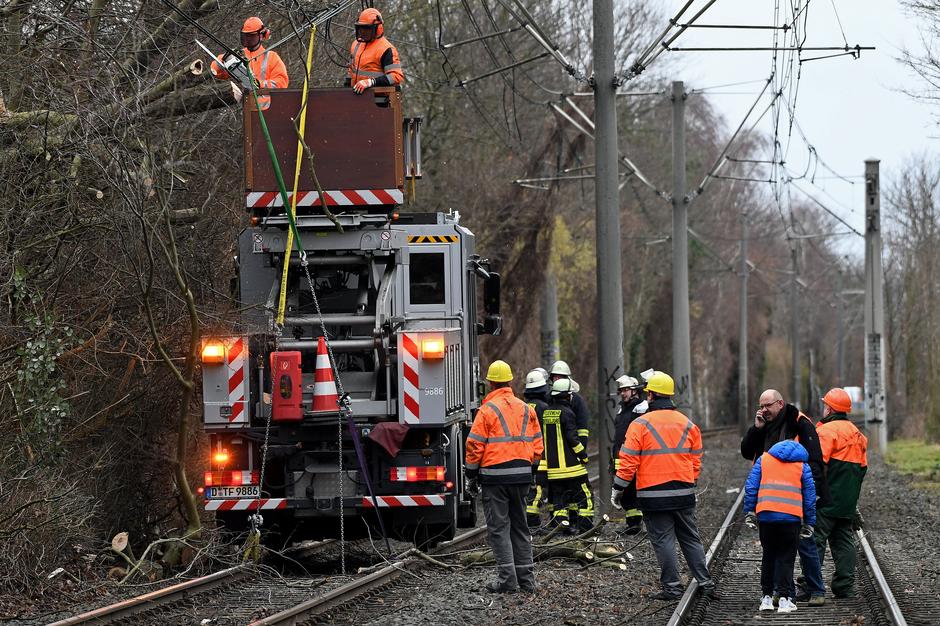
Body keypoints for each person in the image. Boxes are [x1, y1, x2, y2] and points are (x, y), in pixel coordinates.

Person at [611, 371, 716, 600]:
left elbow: (628, 461)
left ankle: (673, 588)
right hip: (683, 492)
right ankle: (706, 582)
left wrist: (618, 487)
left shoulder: (640, 424)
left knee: (663, 540)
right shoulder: (688, 425)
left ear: (651, 395)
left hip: (652, 494)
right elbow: (695, 459)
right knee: (690, 538)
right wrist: (692, 482)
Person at [740, 388, 829, 606]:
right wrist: (756, 429)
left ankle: (816, 590)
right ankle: (782, 591)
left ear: (780, 404)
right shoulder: (764, 424)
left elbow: (815, 461)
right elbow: (746, 451)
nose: (763, 410)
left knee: (804, 544)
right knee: (779, 549)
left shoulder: (800, 423)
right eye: (761, 406)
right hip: (770, 495)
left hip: (794, 493)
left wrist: (812, 494)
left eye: (767, 405)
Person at [465, 360, 543, 593]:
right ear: (510, 381)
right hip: (521, 477)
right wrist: (532, 470)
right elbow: (538, 444)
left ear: (490, 383)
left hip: (495, 478)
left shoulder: (487, 410)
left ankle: (508, 582)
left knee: (499, 529)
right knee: (520, 527)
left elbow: (474, 445)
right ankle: (527, 581)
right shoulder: (526, 409)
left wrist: (471, 473)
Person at [743, 439, 817, 614]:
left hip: (766, 517)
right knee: (786, 558)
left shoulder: (764, 460)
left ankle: (767, 598)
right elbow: (809, 497)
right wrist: (809, 522)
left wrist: (750, 511)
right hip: (791, 519)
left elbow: (751, 486)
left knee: (768, 556)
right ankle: (784, 600)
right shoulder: (802, 466)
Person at [814, 388, 868, 598]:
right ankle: (844, 586)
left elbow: (818, 466)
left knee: (814, 539)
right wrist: (851, 497)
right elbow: (862, 469)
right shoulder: (858, 434)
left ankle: (811, 583)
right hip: (847, 500)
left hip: (826, 498)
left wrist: (815, 493)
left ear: (830, 408)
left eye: (825, 405)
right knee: (843, 539)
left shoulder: (825, 432)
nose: (824, 408)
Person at [543, 378, 593, 533]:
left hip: (553, 470)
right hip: (572, 469)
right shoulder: (568, 413)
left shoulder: (546, 413)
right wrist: (583, 455)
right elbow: (573, 439)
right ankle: (585, 527)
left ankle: (562, 528)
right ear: (568, 396)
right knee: (585, 497)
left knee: (559, 501)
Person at [210, 17, 289, 110]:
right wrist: (222, 60)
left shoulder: (271, 57)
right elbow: (217, 72)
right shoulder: (239, 55)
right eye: (245, 36)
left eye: (251, 36)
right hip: (247, 110)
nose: (248, 39)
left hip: (268, 111)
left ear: (261, 35)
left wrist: (259, 84)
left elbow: (282, 83)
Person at [611, 374, 645, 534]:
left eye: (626, 390)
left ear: (634, 391)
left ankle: (637, 524)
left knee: (634, 490)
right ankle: (633, 524)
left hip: (635, 457)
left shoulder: (642, 407)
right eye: (621, 390)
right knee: (627, 493)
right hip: (622, 456)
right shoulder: (622, 409)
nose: (623, 393)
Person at [348, 8, 404, 94]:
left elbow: (396, 76)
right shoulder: (356, 44)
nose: (362, 32)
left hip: (379, 100)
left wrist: (371, 82)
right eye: (361, 28)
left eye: (366, 28)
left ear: (378, 29)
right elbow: (351, 71)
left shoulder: (386, 49)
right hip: (356, 98)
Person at [523, 369, 551, 530]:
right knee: (537, 490)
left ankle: (528, 521)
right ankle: (532, 522)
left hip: (522, 455)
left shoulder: (522, 406)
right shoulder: (544, 408)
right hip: (540, 456)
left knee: (529, 489)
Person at [549, 360, 590, 447]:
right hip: (552, 448)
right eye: (554, 377)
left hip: (571, 447)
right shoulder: (548, 397)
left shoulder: (577, 400)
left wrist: (581, 451)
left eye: (559, 377)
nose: (556, 379)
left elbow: (582, 430)